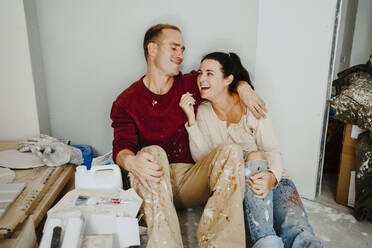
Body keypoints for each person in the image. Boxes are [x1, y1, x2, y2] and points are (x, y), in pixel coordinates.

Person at [110, 24, 266, 248]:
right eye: (174, 48)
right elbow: (121, 147)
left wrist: (243, 87)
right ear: (152, 49)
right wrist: (131, 161)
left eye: (182, 49)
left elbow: (224, 79)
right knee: (152, 151)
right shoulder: (126, 101)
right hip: (152, 177)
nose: (181, 56)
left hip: (189, 178)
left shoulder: (190, 83)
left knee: (231, 151)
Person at [179, 52, 323, 248]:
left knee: (299, 229)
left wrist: (272, 177)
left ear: (228, 79)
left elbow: (272, 149)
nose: (201, 79)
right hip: (240, 184)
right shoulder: (203, 112)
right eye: (200, 73)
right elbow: (203, 158)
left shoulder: (251, 105)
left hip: (276, 178)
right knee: (254, 159)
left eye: (209, 73)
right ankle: (266, 241)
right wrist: (191, 120)